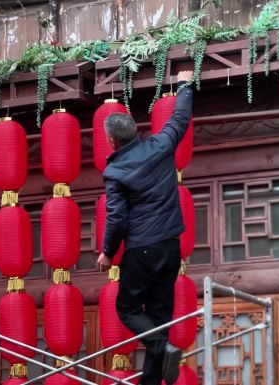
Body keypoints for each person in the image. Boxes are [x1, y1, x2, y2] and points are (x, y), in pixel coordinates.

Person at [96, 70, 195, 385]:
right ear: (134, 132)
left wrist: (107, 252)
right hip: (170, 245)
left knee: (126, 308)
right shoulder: (160, 145)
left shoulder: (115, 172)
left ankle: (158, 346)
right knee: (159, 315)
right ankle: (151, 381)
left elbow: (116, 217)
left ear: (111, 140)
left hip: (141, 248)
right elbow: (180, 119)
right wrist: (184, 85)